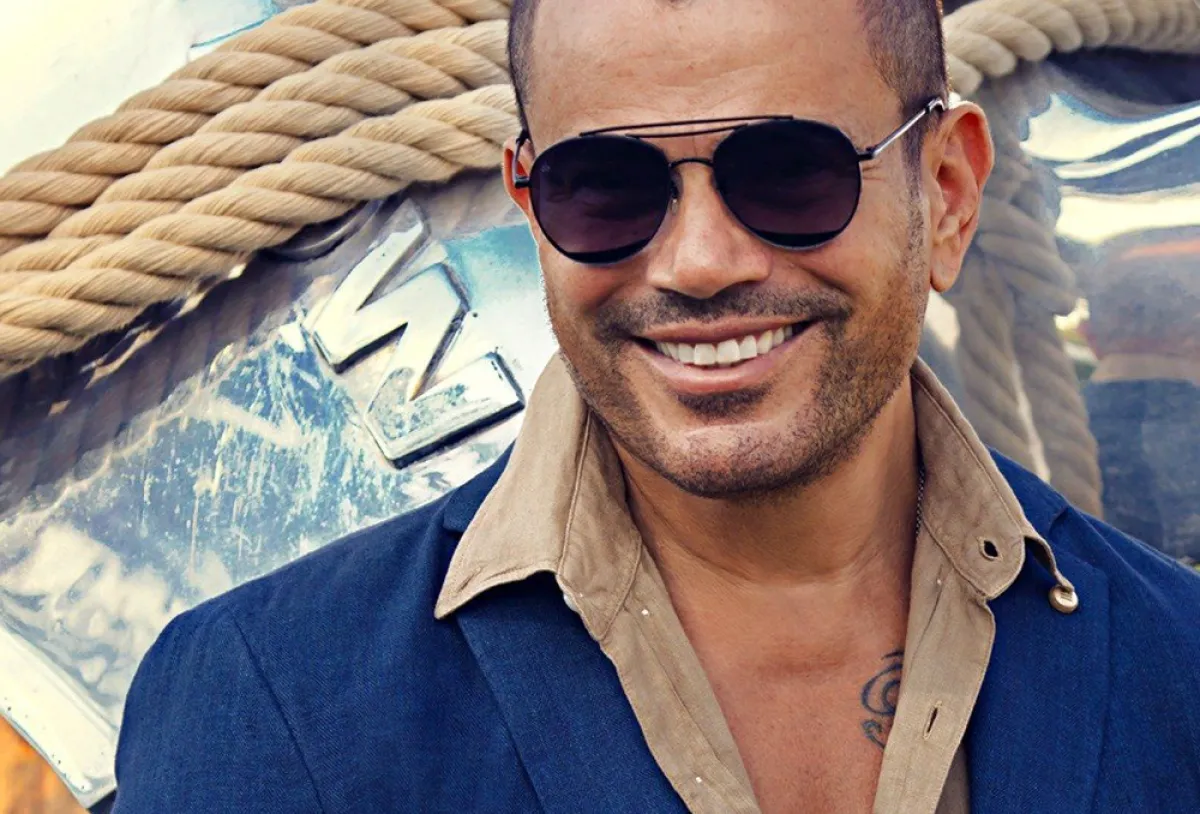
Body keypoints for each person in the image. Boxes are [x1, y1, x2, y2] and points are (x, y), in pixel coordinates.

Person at [110, 1, 1200, 812]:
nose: (699, 262)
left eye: (789, 171)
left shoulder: (1178, 670)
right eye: (608, 187)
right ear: (532, 206)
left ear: (948, 196)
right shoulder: (265, 702)